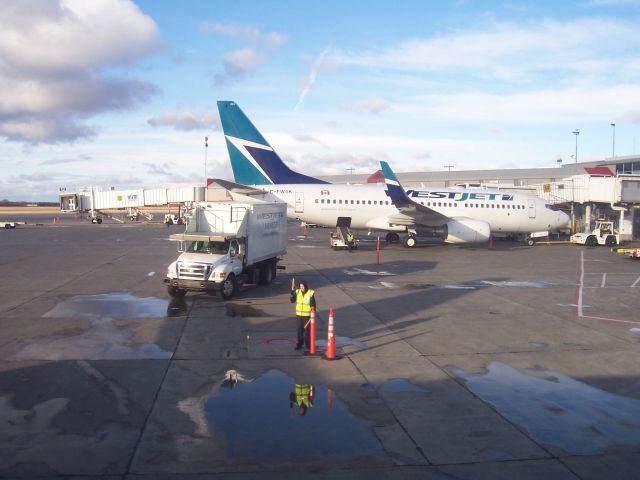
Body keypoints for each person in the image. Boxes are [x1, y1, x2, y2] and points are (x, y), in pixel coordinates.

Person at [290, 277, 316, 350]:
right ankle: (299, 344)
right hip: (299, 315)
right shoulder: (297, 292)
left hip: (307, 316)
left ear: (306, 286)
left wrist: (312, 315)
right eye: (301, 286)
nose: (302, 288)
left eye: (303, 286)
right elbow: (292, 300)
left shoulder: (310, 293)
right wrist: (292, 289)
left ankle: (308, 345)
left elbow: (313, 305)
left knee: (307, 332)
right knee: (299, 331)